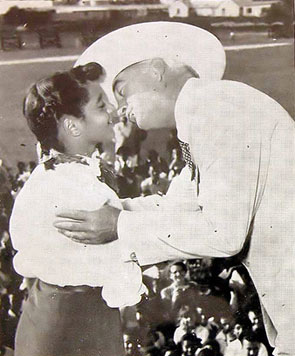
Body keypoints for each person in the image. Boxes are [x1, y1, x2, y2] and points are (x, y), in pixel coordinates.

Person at [54, 22, 295, 355]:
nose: (120, 110)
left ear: (156, 70)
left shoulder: (218, 110)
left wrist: (118, 225)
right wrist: (114, 209)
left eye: (121, 91)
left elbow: (221, 231)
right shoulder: (204, 112)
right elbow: (181, 205)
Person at [9, 63, 146, 356]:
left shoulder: (57, 172)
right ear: (72, 126)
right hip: (76, 324)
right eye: (101, 105)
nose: (113, 110)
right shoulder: (79, 188)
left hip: (53, 312)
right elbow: (119, 255)